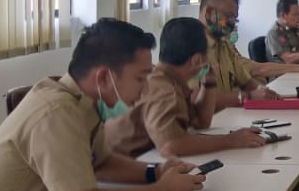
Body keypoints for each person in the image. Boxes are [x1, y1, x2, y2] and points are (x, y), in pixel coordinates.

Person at [0, 19, 205, 191]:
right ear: (104, 78)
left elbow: (101, 163)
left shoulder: (84, 103)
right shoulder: (57, 113)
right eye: (140, 78)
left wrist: (155, 172)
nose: (146, 89)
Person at [106, 18, 267, 158]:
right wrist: (231, 141)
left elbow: (201, 122)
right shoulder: (164, 89)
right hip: (122, 168)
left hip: (145, 158)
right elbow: (171, 145)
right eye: (207, 55)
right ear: (197, 60)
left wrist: (209, 82)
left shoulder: (171, 79)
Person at [198, 0, 286, 110]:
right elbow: (194, 98)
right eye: (229, 16)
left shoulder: (224, 46)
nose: (232, 23)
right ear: (209, 12)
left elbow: (246, 82)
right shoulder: (190, 46)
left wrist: (265, 92)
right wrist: (247, 96)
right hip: (206, 120)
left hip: (228, 116)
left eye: (235, 19)